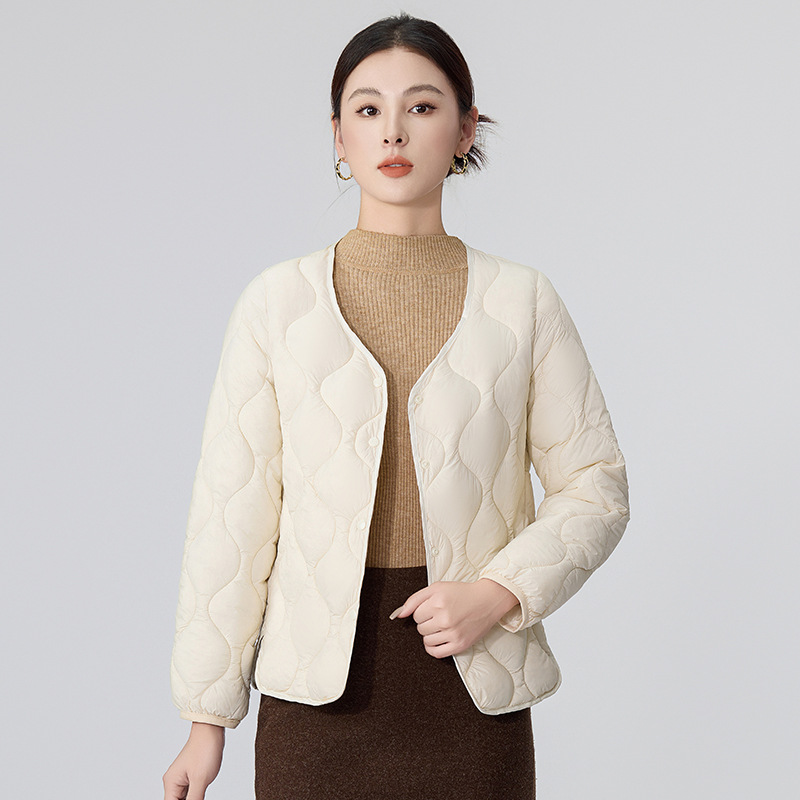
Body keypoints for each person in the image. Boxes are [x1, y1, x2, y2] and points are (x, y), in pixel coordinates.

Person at [163, 12, 630, 800]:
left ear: (465, 129)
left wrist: (500, 592)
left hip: (471, 684)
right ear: (339, 136)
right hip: (314, 700)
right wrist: (205, 721)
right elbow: (230, 518)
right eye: (368, 108)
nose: (393, 131)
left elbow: (597, 486)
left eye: (421, 106)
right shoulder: (277, 304)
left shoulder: (523, 302)